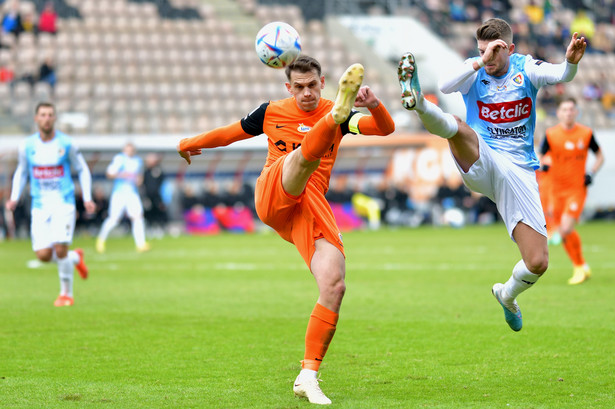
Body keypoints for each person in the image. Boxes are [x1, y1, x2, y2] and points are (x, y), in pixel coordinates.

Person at [177, 55, 394, 405]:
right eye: (299, 87)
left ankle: (308, 375)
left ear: (323, 83)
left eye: (312, 86)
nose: (306, 93)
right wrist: (190, 141)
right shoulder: (272, 112)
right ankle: (329, 124)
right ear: (288, 88)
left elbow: (385, 129)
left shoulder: (343, 114)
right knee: (301, 160)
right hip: (274, 193)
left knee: (334, 284)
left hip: (308, 207)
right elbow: (228, 134)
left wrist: (375, 104)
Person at [397, 18, 586, 332]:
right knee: (457, 126)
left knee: (538, 262)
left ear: (510, 49)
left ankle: (507, 295)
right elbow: (444, 85)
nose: (488, 57)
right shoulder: (475, 71)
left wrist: (571, 62)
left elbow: (562, 73)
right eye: (483, 50)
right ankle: (417, 103)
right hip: (483, 158)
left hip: (519, 172)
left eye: (495, 51)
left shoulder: (526, 69)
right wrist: (479, 61)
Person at [5, 102, 95, 307]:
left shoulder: (67, 143)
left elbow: (82, 169)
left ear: (54, 118)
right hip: (39, 205)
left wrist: (88, 197)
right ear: (36, 118)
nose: (46, 118)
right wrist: (14, 196)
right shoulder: (27, 146)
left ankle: (66, 294)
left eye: (50, 115)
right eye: (43, 115)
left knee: (60, 249)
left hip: (64, 203)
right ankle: (75, 258)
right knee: (44, 255)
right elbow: (22, 171)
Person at [539, 97, 604, 284]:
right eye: (564, 109)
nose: (568, 113)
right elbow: (541, 155)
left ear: (576, 112)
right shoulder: (551, 134)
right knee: (564, 231)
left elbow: (600, 155)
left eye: (571, 109)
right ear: (558, 113)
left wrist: (592, 173)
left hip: (576, 189)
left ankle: (579, 268)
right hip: (556, 190)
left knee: (566, 228)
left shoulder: (586, 133)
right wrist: (544, 164)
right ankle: (581, 266)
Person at [96, 142, 149, 253]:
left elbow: (139, 176)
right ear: (124, 150)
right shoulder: (119, 159)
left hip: (132, 193)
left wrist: (139, 180)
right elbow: (109, 174)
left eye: (131, 149)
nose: (129, 151)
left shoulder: (138, 161)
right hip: (120, 193)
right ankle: (101, 239)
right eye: (127, 149)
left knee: (138, 217)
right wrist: (121, 174)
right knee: (114, 219)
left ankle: (141, 244)